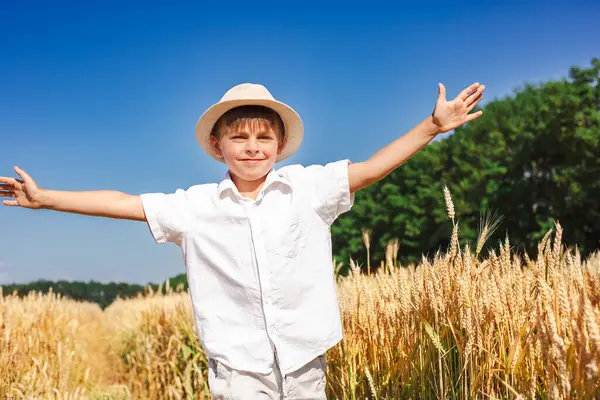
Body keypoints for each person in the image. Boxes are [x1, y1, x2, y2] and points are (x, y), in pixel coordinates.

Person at [0, 81, 484, 399]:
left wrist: (433, 128)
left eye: (263, 138)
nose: (252, 147)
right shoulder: (193, 207)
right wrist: (47, 199)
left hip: (304, 361)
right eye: (239, 138)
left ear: (279, 145)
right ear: (218, 147)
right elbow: (123, 200)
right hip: (237, 368)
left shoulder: (307, 188)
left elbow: (372, 169)